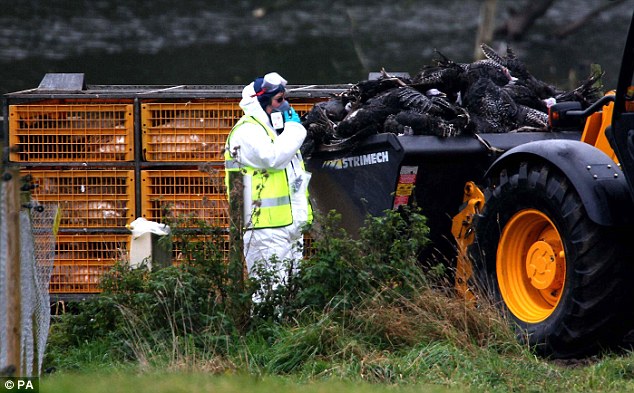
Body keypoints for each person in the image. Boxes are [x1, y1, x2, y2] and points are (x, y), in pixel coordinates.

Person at [224, 72, 313, 293]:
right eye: (279, 100)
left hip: (287, 227)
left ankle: (288, 329)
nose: (285, 106)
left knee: (290, 293)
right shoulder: (247, 131)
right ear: (262, 102)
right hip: (264, 229)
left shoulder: (273, 131)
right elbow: (273, 158)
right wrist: (295, 129)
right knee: (268, 294)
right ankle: (264, 328)